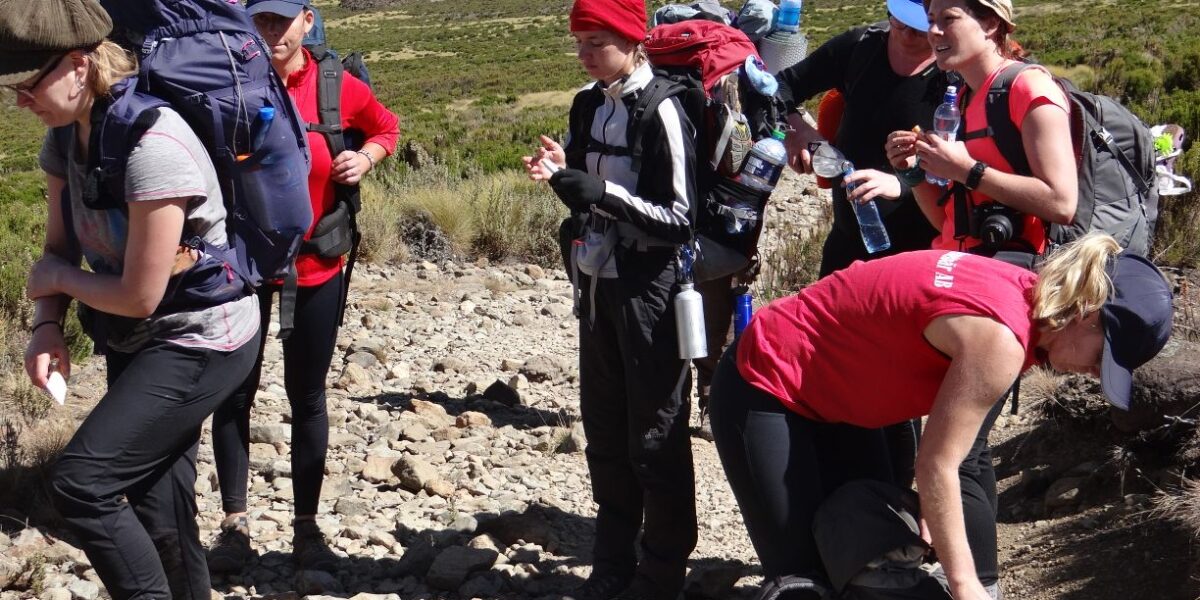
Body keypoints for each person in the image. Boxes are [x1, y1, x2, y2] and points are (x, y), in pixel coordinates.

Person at [708, 233, 1173, 600]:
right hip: (767, 381)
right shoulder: (1000, 338)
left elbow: (933, 438)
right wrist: (965, 583)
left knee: (868, 553)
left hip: (843, 401)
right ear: (1087, 312)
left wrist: (934, 512)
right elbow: (938, 465)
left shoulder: (1021, 293)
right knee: (805, 577)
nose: (1093, 373)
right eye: (1101, 359)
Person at [6, 1, 261, 597]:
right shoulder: (66, 134)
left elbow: (138, 294)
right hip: (135, 336)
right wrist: (47, 325)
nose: (20, 101)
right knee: (158, 509)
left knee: (81, 483)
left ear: (78, 65)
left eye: (28, 84)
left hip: (203, 338)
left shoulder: (153, 144)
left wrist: (60, 282)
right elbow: (59, 246)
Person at [206, 0, 399, 573]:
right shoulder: (230, 83)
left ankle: (306, 528)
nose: (270, 32)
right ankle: (234, 525)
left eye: (281, 20)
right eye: (260, 19)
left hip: (316, 267)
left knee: (307, 395)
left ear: (307, 21)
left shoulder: (336, 87)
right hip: (245, 269)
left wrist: (365, 158)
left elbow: (386, 127)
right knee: (233, 394)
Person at [523, 0, 698, 597]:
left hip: (650, 288)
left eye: (597, 42)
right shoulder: (588, 104)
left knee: (655, 432)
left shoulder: (662, 110)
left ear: (632, 40)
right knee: (604, 430)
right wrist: (562, 172)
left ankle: (662, 572)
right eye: (579, 42)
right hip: (596, 283)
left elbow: (680, 219)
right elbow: (586, 190)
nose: (585, 54)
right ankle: (613, 562)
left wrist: (599, 191)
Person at [885, 0, 1076, 269]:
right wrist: (913, 172)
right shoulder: (962, 99)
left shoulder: (1029, 88)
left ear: (990, 23)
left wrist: (967, 171)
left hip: (1013, 274)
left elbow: (1062, 204)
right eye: (931, 20)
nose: (934, 31)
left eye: (949, 19)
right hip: (956, 266)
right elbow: (950, 225)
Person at [776, 0, 946, 277]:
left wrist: (903, 184)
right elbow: (778, 87)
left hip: (920, 258)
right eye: (898, 20)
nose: (905, 33)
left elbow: (971, 167)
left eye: (918, 27)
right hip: (845, 249)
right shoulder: (862, 46)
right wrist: (795, 129)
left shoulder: (957, 72)